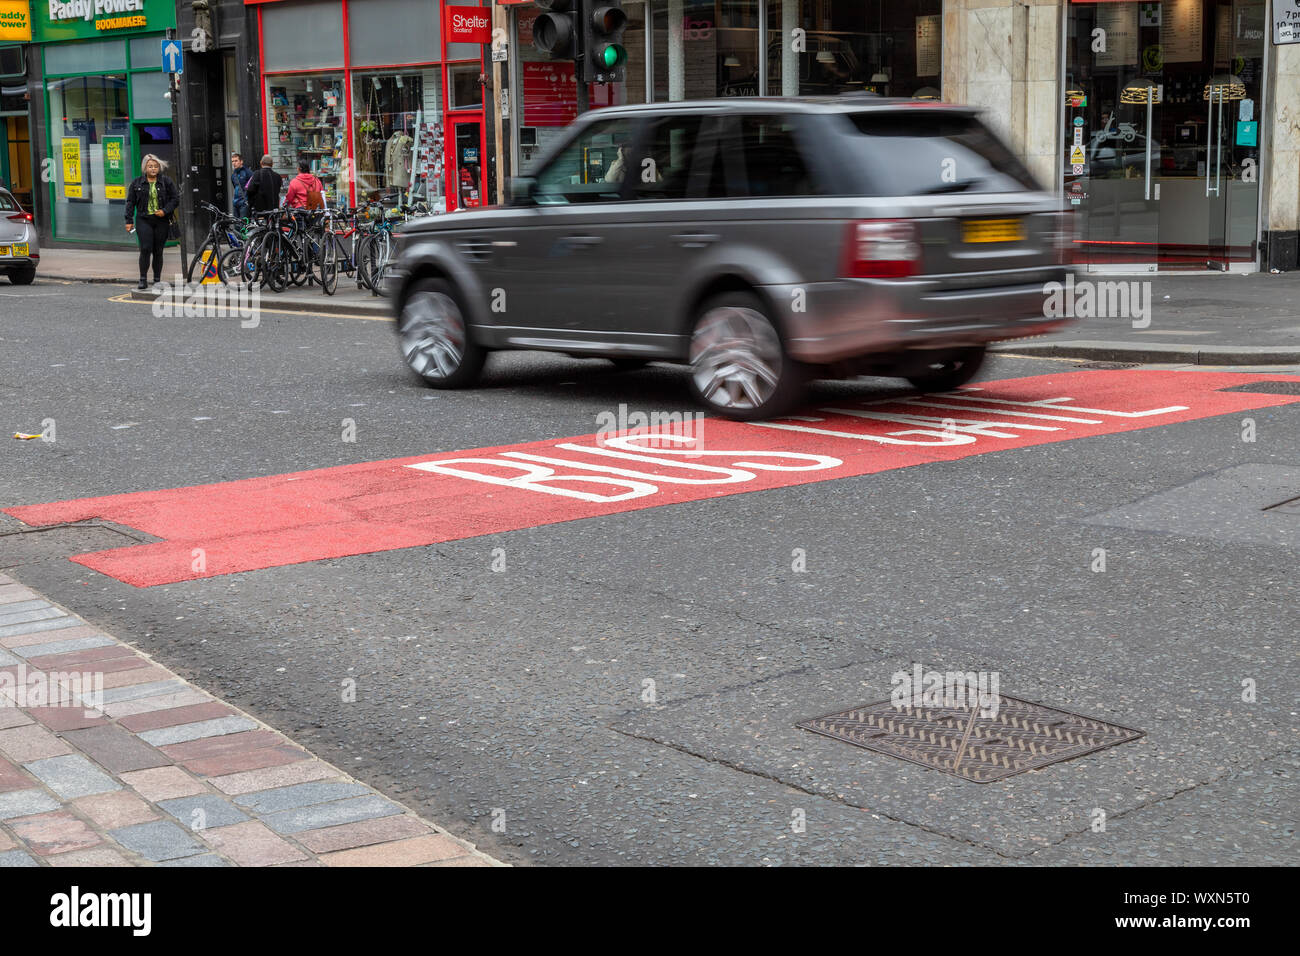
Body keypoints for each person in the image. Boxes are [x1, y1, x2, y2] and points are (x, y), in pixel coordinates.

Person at [123, 154, 179, 291]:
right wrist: (128, 220)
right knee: (146, 248)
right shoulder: (136, 183)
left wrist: (165, 211)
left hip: (161, 220)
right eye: (150, 166)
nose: (153, 169)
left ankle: (157, 280)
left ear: (159, 167)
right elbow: (130, 202)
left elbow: (175, 199)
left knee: (158, 251)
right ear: (145, 168)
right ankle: (142, 279)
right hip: (144, 219)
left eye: (155, 166)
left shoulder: (166, 181)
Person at [230, 153, 252, 220]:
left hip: (244, 203)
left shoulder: (247, 172)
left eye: (236, 161)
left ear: (241, 161)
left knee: (243, 225)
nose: (234, 163)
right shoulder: (233, 174)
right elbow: (235, 187)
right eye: (232, 161)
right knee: (236, 225)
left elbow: (253, 187)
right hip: (235, 203)